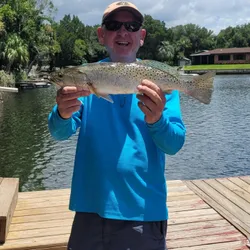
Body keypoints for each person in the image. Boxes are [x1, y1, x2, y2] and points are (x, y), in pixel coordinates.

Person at [48, 1, 186, 249]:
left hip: (143, 212)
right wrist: (62, 113)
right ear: (102, 35)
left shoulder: (160, 84)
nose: (123, 32)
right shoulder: (85, 78)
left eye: (131, 26)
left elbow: (174, 144)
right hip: (90, 209)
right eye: (113, 25)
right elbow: (58, 133)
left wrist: (157, 120)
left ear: (141, 36)